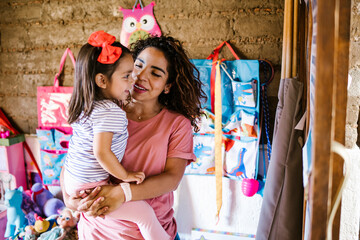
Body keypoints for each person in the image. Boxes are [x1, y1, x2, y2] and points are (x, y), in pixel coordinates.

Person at [61, 35, 206, 240]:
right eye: (138, 66)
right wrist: (69, 200)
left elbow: (171, 179)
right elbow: (74, 156)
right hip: (96, 230)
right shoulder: (106, 110)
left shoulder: (176, 124)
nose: (140, 77)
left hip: (147, 232)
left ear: (168, 86)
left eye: (155, 73)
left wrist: (123, 193)